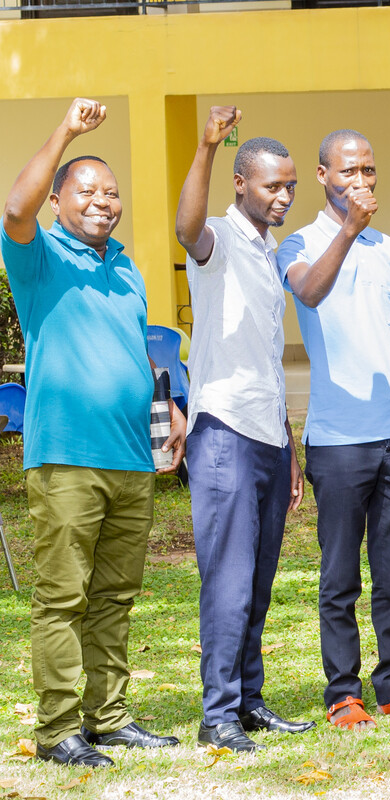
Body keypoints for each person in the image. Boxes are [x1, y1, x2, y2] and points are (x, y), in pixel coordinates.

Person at [2, 98, 184, 768]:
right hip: (67, 457)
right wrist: (66, 131)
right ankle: (57, 730)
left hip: (131, 457)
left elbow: (134, 350)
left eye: (111, 192)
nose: (104, 200)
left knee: (114, 596)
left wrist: (169, 403)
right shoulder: (38, 255)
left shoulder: (127, 268)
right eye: (86, 190)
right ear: (58, 201)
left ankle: (108, 717)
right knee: (62, 597)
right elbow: (14, 210)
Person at [279, 129, 390, 728]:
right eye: (348, 170)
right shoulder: (299, 242)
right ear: (323, 176)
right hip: (338, 439)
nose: (361, 180)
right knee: (340, 574)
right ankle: (342, 693)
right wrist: (348, 229)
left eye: (369, 170)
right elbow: (309, 292)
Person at [174, 106, 313, 752]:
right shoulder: (221, 242)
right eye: (270, 186)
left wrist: (288, 444)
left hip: (266, 434)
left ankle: (249, 701)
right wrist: (205, 146)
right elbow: (185, 228)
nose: (283, 196)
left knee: (256, 582)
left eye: (289, 186)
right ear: (239, 183)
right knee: (227, 581)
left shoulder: (268, 253)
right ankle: (218, 714)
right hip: (223, 431)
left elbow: (262, 355)